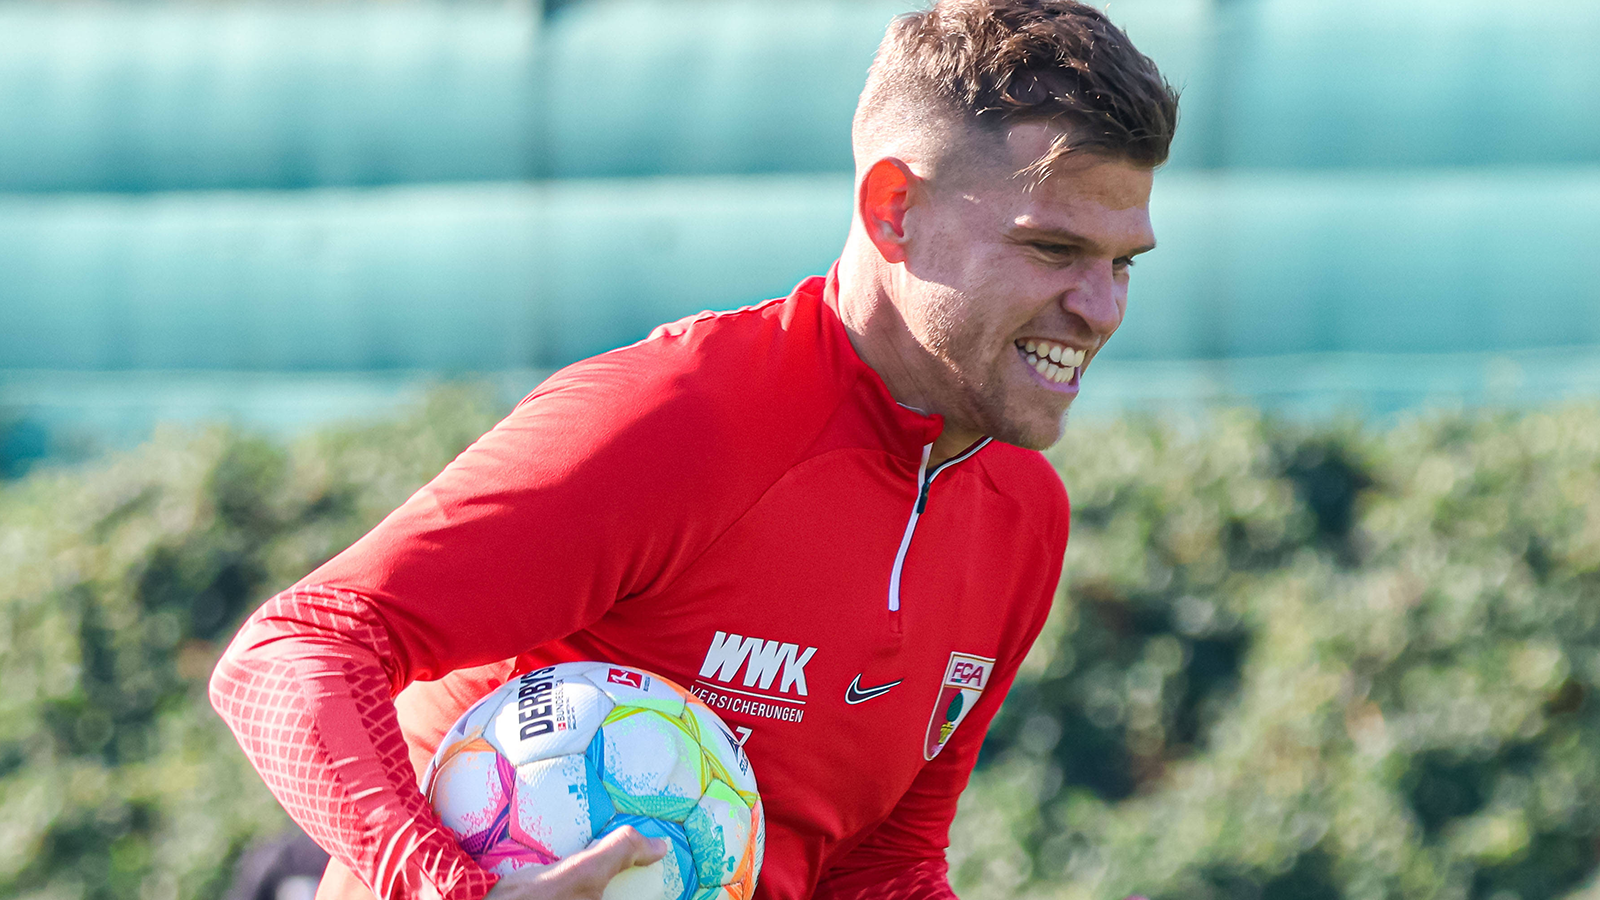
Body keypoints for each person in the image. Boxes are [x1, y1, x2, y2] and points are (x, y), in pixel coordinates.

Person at [209, 1, 1178, 899]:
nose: (1098, 309)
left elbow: (881, 862)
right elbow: (294, 652)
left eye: (1121, 262)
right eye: (1052, 250)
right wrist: (442, 888)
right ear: (894, 209)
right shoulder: (684, 418)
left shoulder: (1022, 514)